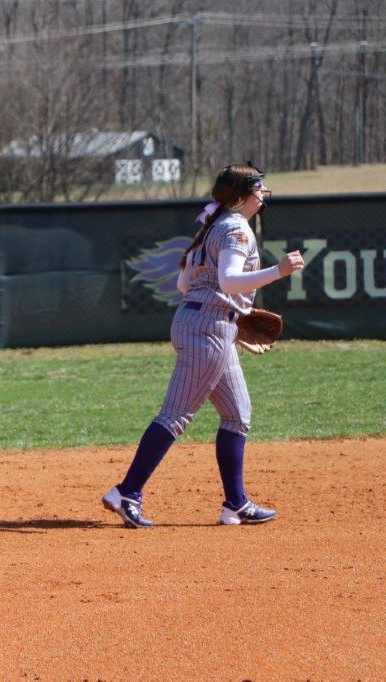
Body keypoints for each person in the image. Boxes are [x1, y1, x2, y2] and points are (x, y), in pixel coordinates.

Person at [102, 163, 305, 527]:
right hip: (207, 329)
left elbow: (184, 284)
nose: (263, 193)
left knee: (238, 414)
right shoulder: (236, 228)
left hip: (208, 325)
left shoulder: (212, 225)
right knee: (175, 415)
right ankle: (127, 492)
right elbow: (228, 280)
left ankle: (236, 504)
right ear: (244, 195)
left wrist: (229, 316)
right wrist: (279, 271)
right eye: (258, 188)